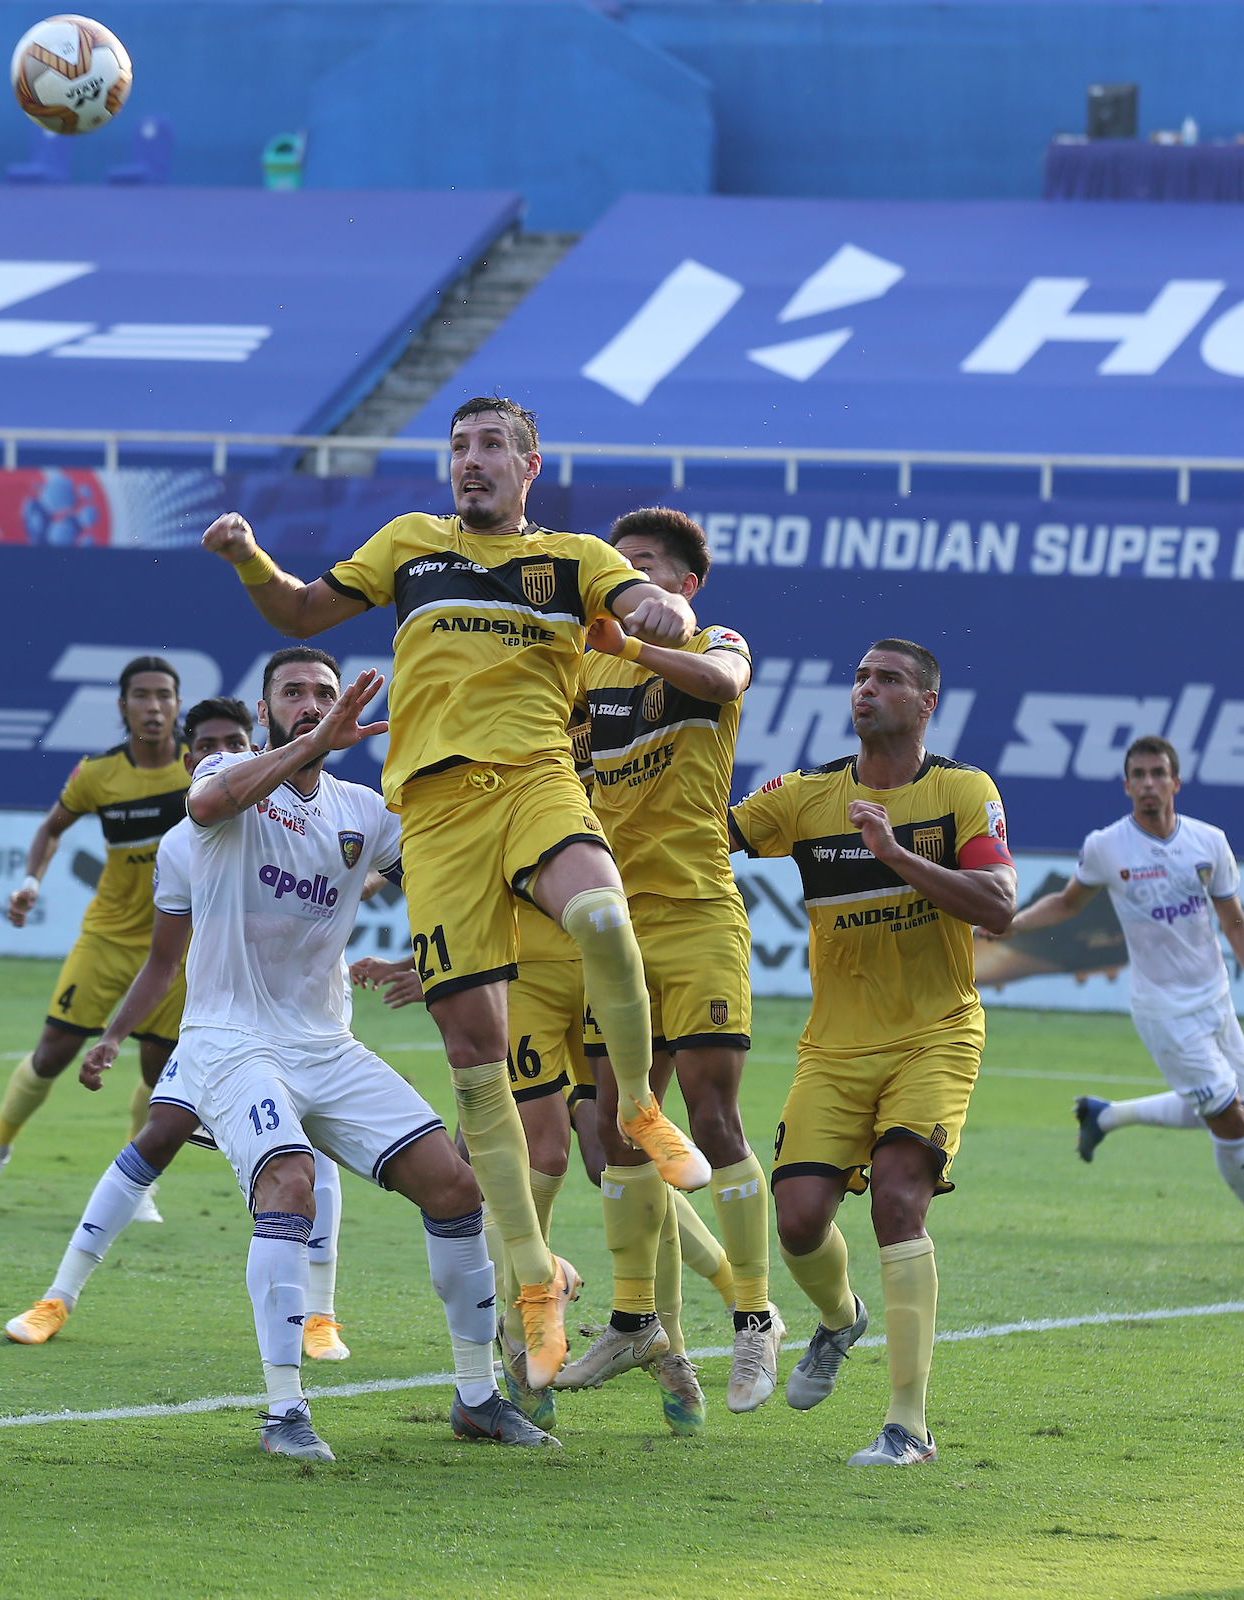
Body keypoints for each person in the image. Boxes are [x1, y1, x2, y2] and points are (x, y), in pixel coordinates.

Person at [197, 396, 707, 1393]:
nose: (471, 460)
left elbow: (661, 611)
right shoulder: (409, 544)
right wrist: (248, 557)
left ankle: (641, 1106)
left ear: (529, 465)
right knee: (477, 1061)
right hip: (434, 813)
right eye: (459, 446)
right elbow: (300, 612)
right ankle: (532, 1283)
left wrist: (662, 611)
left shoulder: (572, 558)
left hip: (535, 779)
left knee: (603, 914)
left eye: (491, 447)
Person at [139, 654, 548, 1457]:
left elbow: (449, 893)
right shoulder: (227, 772)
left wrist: (443, 957)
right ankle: (283, 1412)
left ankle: (476, 1397)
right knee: (289, 1183)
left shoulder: (366, 810)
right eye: (293, 693)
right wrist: (312, 741)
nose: (312, 703)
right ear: (265, 711)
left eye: (325, 693)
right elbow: (208, 803)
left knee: (454, 1187)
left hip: (325, 1043)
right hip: (230, 1041)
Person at [3, 683, 376, 1359]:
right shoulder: (182, 845)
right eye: (205, 747)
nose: (218, 755)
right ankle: (57, 1296)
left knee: (315, 1155)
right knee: (159, 1135)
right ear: (189, 760)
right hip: (222, 1029)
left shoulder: (326, 812)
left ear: (254, 744)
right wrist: (114, 1037)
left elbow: (365, 868)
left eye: (233, 745)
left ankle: (321, 1316)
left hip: (310, 1023)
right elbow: (163, 960)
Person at [728, 640, 1016, 1467]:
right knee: (797, 1220)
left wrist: (895, 854)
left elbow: (999, 905)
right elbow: (702, 835)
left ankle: (908, 1427)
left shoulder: (963, 791)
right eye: (860, 677)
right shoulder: (805, 795)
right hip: (834, 1048)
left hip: (935, 1034)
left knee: (897, 1199)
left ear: (927, 703)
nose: (867, 689)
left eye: (888, 679)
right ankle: (839, 1317)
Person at [558, 507, 781, 1428]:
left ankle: (755, 1315)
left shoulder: (713, 641)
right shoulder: (584, 666)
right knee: (620, 1128)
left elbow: (722, 679)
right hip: (611, 923)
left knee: (713, 1115)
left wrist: (638, 646)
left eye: (644, 565)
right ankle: (634, 1322)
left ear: (685, 584)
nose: (627, 579)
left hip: (695, 912)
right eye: (618, 566)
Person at [984, 735, 1244, 1245]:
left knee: (1234, 1110)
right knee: (1228, 1120)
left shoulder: (1209, 842)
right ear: (1127, 785)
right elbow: (1067, 903)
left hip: (1216, 999)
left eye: (1158, 774)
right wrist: (1015, 924)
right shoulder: (1106, 846)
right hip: (1162, 1009)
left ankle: (1105, 1116)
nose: (1149, 783)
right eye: (1139, 775)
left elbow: (1235, 922)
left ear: (1176, 782)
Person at [0, 658, 188, 1216]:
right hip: (108, 938)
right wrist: (30, 882)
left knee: (161, 1073)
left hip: (178, 946)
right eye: (141, 695)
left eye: (164, 695)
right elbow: (51, 828)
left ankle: (137, 1182)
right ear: (123, 706)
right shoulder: (98, 774)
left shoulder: (200, 768)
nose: (153, 706)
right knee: (54, 1053)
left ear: (177, 704)